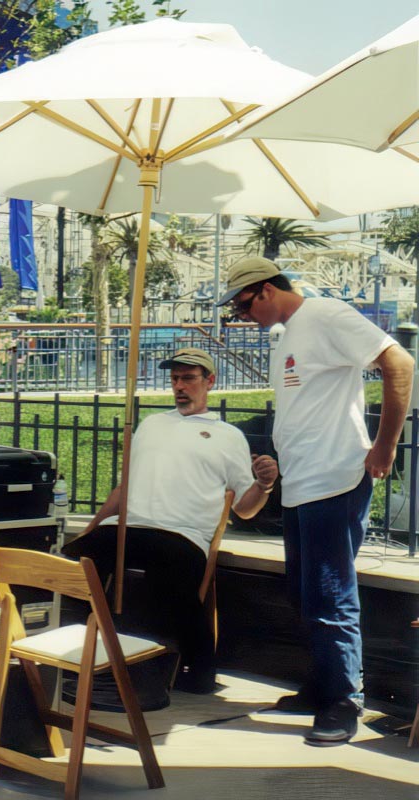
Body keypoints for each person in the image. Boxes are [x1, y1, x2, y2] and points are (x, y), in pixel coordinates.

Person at [219, 255, 414, 745]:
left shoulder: (326, 315)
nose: (243, 318)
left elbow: (400, 362)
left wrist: (385, 444)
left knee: (331, 595)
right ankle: (321, 684)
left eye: (243, 307)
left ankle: (344, 701)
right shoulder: (288, 335)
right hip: (303, 483)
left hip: (335, 479)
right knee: (306, 593)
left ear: (264, 290)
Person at [63, 348, 278, 693]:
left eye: (189, 378)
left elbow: (245, 509)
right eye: (175, 379)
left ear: (210, 381)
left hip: (182, 534)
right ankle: (69, 654)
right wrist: (90, 530)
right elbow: (124, 486)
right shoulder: (150, 425)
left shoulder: (228, 436)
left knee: (173, 577)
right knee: (69, 564)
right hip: (128, 528)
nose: (179, 386)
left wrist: (264, 485)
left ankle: (200, 667)